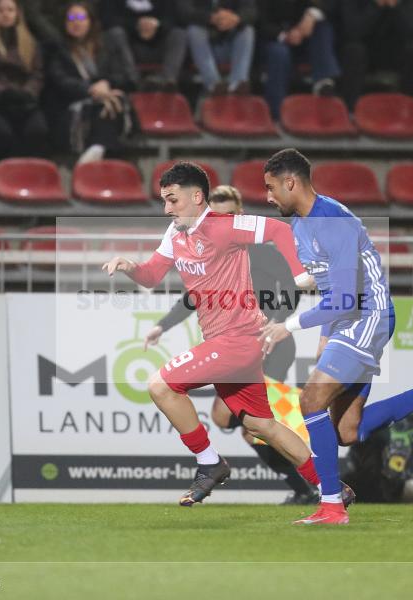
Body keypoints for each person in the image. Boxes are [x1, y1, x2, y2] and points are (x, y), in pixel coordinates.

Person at [259, 148, 413, 525]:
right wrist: (290, 287)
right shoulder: (302, 224)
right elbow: (326, 277)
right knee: (346, 431)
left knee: (311, 399)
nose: (268, 197)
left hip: (367, 315)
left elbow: (344, 299)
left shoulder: (332, 221)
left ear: (291, 182)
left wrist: (286, 326)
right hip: (348, 317)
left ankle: (332, 505)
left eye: (271, 188)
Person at [102, 162, 351, 509]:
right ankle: (331, 486)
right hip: (224, 340)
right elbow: (151, 276)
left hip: (238, 339)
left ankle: (209, 462)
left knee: (161, 385)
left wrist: (298, 274)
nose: (166, 209)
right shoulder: (174, 235)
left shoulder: (225, 226)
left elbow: (280, 231)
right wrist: (130, 267)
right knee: (262, 426)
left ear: (196, 196)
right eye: (164, 201)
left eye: (172, 200)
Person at [143, 184, 317, 504]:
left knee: (244, 424)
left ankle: (300, 486)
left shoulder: (259, 249)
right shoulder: (208, 247)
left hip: (268, 343)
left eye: (226, 213)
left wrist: (278, 321)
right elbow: (196, 296)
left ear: (238, 215)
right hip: (240, 340)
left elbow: (291, 290)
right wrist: (161, 326)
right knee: (252, 425)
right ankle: (320, 484)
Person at [43, 1, 136, 161]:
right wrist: (91, 90)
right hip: (71, 107)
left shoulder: (106, 45)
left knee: (115, 100)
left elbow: (128, 78)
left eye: (80, 17)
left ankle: (97, 148)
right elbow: (61, 81)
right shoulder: (56, 48)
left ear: (90, 21)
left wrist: (106, 84)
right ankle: (99, 148)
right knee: (106, 105)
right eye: (71, 18)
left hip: (106, 102)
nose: (76, 22)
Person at [0, 0, 50, 161]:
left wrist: (28, 92)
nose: (5, 14)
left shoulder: (29, 40)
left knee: (38, 130)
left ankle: (30, 176)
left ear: (17, 13)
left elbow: (37, 74)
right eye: (0, 10)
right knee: (2, 133)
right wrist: (4, 92)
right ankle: (2, 177)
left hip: (24, 100)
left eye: (10, 10)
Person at [336, 0, 413, 114]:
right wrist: (376, 5)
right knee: (354, 51)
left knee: (412, 52)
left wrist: (395, 7)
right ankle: (350, 111)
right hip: (362, 49)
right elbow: (354, 31)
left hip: (390, 52)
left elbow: (410, 31)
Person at [256, 0, 340, 120]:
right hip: (272, 39)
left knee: (323, 27)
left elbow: (325, 7)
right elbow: (259, 23)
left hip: (300, 37)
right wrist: (285, 36)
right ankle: (277, 111)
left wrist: (311, 15)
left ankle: (323, 82)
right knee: (279, 53)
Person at [102, 0, 188, 91]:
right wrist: (137, 25)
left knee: (180, 34)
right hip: (129, 50)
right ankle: (133, 80)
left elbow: (175, 18)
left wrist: (157, 25)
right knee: (115, 33)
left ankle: (167, 79)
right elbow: (107, 19)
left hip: (159, 46)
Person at [177, 0, 257, 95]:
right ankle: (214, 86)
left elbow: (252, 11)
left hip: (230, 46)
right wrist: (212, 18)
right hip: (201, 49)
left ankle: (237, 84)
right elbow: (184, 12)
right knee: (194, 31)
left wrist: (236, 18)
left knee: (247, 31)